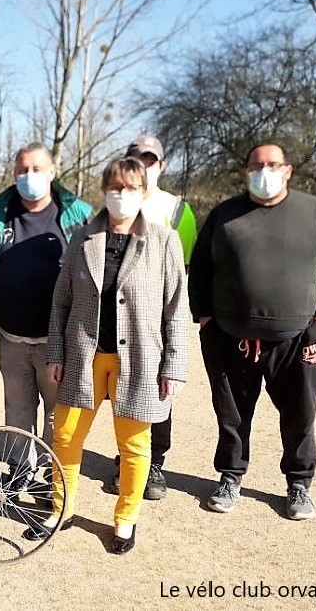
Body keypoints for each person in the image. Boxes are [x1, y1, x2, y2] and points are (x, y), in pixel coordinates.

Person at [24, 158, 189, 554]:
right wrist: (57, 351)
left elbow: (176, 307)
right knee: (65, 437)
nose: (121, 195)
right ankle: (59, 509)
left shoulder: (164, 241)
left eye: (130, 188)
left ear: (143, 191)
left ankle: (126, 518)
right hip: (85, 356)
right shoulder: (83, 237)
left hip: (140, 361)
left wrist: (174, 364)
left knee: (134, 445)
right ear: (104, 190)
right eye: (115, 187)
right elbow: (61, 301)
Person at [189, 142, 316, 520]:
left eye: (273, 164)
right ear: (246, 172)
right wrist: (206, 319)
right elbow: (201, 269)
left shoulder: (315, 212)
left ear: (288, 170)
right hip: (229, 337)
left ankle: (298, 484)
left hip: (297, 340)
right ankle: (230, 476)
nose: (265, 171)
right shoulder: (225, 215)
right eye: (257, 165)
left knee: (300, 415)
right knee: (232, 415)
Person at [0, 142, 93, 485]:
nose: (29, 176)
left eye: (37, 169)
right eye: (22, 170)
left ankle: (51, 473)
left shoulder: (76, 217)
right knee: (17, 410)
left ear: (52, 172)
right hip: (12, 337)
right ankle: (21, 469)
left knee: (57, 413)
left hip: (56, 341)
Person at [105, 135, 197, 500]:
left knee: (156, 392)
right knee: (119, 392)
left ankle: (154, 460)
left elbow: (182, 271)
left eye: (150, 158)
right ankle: (124, 459)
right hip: (114, 317)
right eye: (135, 157)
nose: (143, 163)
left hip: (154, 321)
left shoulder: (177, 211)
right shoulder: (117, 198)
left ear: (161, 165)